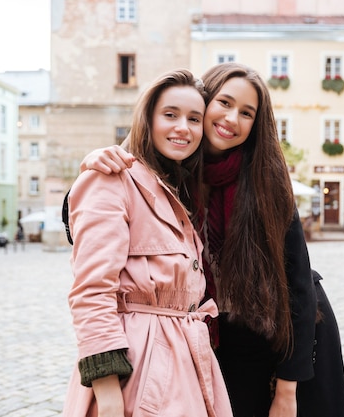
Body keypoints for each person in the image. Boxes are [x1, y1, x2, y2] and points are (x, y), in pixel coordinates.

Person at [79, 63, 344, 417]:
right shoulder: (174, 169)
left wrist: (287, 388)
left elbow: (299, 286)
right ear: (204, 104)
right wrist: (94, 164)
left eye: (247, 113)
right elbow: (96, 219)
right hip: (214, 341)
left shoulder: (267, 179)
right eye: (223, 103)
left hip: (284, 341)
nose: (232, 118)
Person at [62, 69, 233, 417]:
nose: (183, 127)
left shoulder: (176, 188)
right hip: (138, 368)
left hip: (187, 362)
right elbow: (91, 291)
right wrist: (107, 391)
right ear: (148, 119)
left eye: (194, 118)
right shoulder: (111, 177)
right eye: (170, 114)